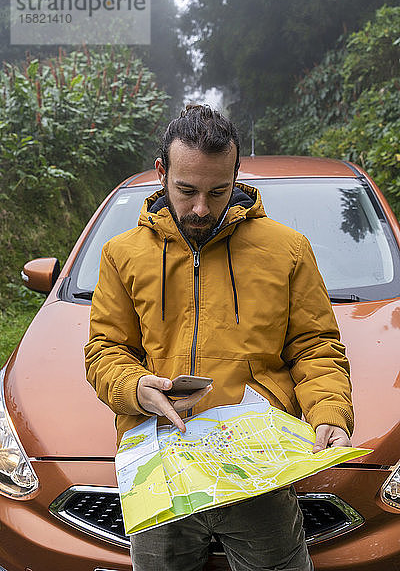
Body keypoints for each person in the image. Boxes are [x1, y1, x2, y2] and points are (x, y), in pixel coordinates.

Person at [84, 104, 353, 571]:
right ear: (162, 172)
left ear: (237, 173)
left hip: (258, 469)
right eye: (186, 190)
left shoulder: (287, 250)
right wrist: (134, 388)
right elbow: (106, 350)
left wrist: (329, 412)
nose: (201, 208)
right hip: (160, 466)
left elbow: (315, 347)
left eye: (218, 190)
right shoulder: (121, 254)